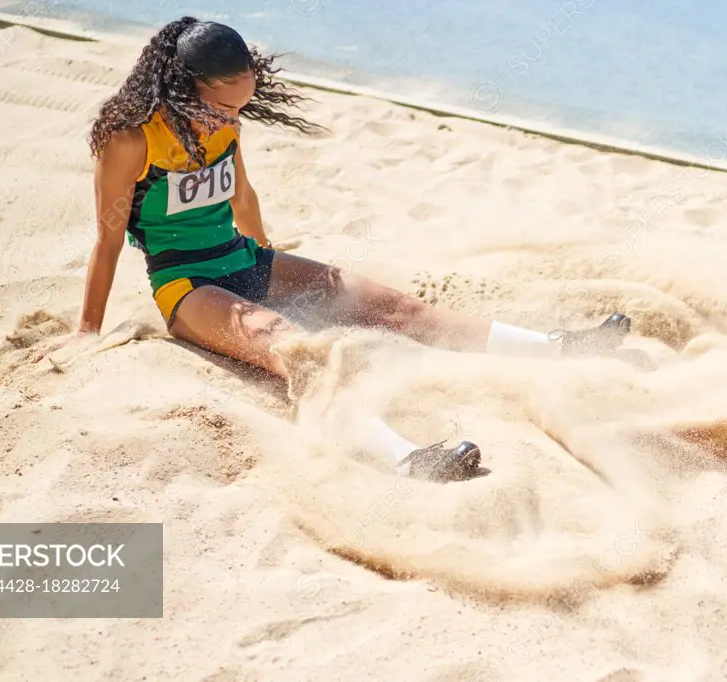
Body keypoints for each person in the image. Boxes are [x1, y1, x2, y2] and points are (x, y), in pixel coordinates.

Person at [65, 17, 631, 483]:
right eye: (223, 107)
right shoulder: (132, 139)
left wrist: (270, 263)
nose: (233, 118)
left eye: (243, 106)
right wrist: (87, 334)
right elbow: (108, 239)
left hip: (244, 259)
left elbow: (243, 197)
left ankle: (558, 348)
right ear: (183, 88)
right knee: (293, 346)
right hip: (186, 286)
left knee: (399, 309)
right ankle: (407, 459)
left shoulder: (224, 125)